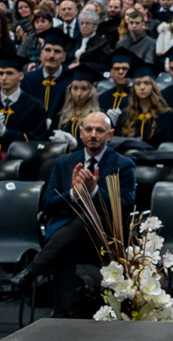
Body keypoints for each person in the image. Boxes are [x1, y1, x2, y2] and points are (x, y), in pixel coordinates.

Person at [8, 109, 136, 316]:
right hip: (66, 234)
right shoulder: (63, 163)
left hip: (104, 237)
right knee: (70, 244)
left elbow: (125, 207)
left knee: (86, 220)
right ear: (81, 132)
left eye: (99, 130)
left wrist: (93, 191)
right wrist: (74, 194)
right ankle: (65, 312)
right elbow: (48, 204)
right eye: (88, 129)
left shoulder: (123, 165)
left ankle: (33, 272)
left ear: (110, 135)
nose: (93, 134)